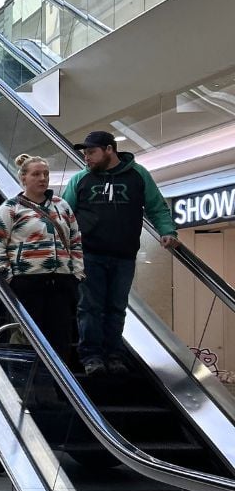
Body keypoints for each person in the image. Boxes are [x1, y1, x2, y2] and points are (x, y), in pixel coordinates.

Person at [63, 130, 177, 376]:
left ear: (109, 150)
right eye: (85, 153)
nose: (86, 158)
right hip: (88, 254)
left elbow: (156, 206)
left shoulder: (138, 175)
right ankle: (91, 356)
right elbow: (63, 216)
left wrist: (167, 231)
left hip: (124, 255)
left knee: (116, 307)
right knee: (90, 307)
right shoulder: (81, 179)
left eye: (91, 152)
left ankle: (114, 355)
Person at [0, 154, 84, 360]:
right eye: (36, 174)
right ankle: (25, 376)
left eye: (45, 174)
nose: (42, 178)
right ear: (23, 178)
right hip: (27, 282)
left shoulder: (62, 206)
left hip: (61, 282)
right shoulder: (10, 208)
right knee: (27, 336)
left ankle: (59, 377)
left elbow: (75, 240)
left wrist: (76, 274)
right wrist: (9, 277)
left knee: (61, 337)